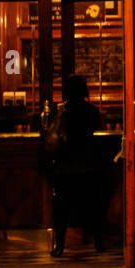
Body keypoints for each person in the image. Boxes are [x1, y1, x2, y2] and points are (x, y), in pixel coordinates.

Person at [49, 75, 102, 256]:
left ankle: (60, 246)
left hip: (66, 166)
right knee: (95, 206)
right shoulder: (92, 111)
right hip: (90, 165)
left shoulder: (63, 112)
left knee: (61, 208)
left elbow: (54, 138)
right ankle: (99, 242)